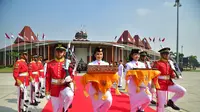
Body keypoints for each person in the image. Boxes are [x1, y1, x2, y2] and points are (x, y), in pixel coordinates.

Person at [153, 47, 186, 112]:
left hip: (169, 83)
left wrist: (175, 76)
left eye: (168, 54)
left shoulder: (169, 63)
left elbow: (171, 73)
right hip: (160, 84)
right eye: (165, 54)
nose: (167, 55)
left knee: (182, 91)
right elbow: (153, 75)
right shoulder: (157, 63)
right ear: (161, 55)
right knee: (161, 104)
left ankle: (171, 101)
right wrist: (153, 85)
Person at [45, 43, 74, 112]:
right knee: (56, 109)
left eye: (61, 51)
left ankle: (65, 108)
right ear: (55, 52)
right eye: (57, 51)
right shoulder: (50, 64)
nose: (59, 53)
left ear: (64, 53)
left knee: (70, 95)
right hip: (54, 88)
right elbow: (48, 78)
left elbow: (72, 75)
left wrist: (70, 78)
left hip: (64, 86)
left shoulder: (68, 63)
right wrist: (47, 91)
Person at [88, 47, 112, 112]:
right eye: (98, 54)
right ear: (95, 55)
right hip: (94, 89)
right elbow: (89, 77)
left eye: (101, 54)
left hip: (104, 88)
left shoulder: (106, 64)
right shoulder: (90, 64)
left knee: (108, 101)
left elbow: (108, 76)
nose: (99, 56)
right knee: (96, 107)